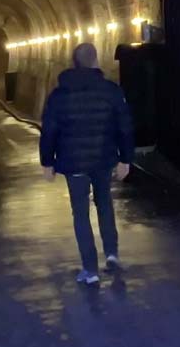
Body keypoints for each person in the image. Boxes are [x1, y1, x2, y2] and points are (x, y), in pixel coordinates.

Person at [40, 42, 135, 285]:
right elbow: (124, 127)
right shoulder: (111, 91)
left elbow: (49, 129)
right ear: (95, 61)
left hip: (74, 164)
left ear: (74, 62)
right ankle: (112, 254)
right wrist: (125, 159)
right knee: (104, 204)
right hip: (103, 159)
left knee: (80, 213)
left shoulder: (59, 95)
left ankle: (90, 269)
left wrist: (47, 162)